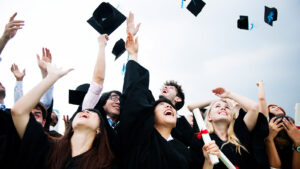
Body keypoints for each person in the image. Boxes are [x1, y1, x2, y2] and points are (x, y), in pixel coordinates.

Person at [11, 55, 114, 169]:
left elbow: (96, 86)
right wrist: (50, 78)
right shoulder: (48, 147)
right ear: (72, 125)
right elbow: (18, 111)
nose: (85, 112)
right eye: (82, 111)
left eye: (92, 112)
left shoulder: (104, 164)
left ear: (99, 128)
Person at [188, 87, 262, 169]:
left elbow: (254, 107)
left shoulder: (240, 132)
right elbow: (192, 107)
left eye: (227, 107)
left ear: (232, 117)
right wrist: (208, 161)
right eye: (217, 106)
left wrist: (229, 94)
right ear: (209, 117)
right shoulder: (202, 139)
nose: (223, 108)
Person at [257, 81, 300, 169]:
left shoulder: (293, 125)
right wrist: (260, 85)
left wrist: (297, 143)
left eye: (279, 107)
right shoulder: (265, 123)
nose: (277, 107)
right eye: (272, 107)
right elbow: (262, 100)